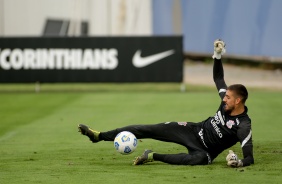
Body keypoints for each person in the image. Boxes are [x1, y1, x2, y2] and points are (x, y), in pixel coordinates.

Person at [78, 39, 254, 167]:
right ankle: (98, 136)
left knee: (198, 160)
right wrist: (217, 55)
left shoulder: (243, 125)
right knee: (149, 129)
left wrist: (237, 163)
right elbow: (218, 78)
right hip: (193, 130)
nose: (224, 98)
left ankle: (152, 156)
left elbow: (249, 158)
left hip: (206, 151)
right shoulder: (226, 103)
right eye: (225, 96)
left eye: (228, 97)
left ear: (238, 101)